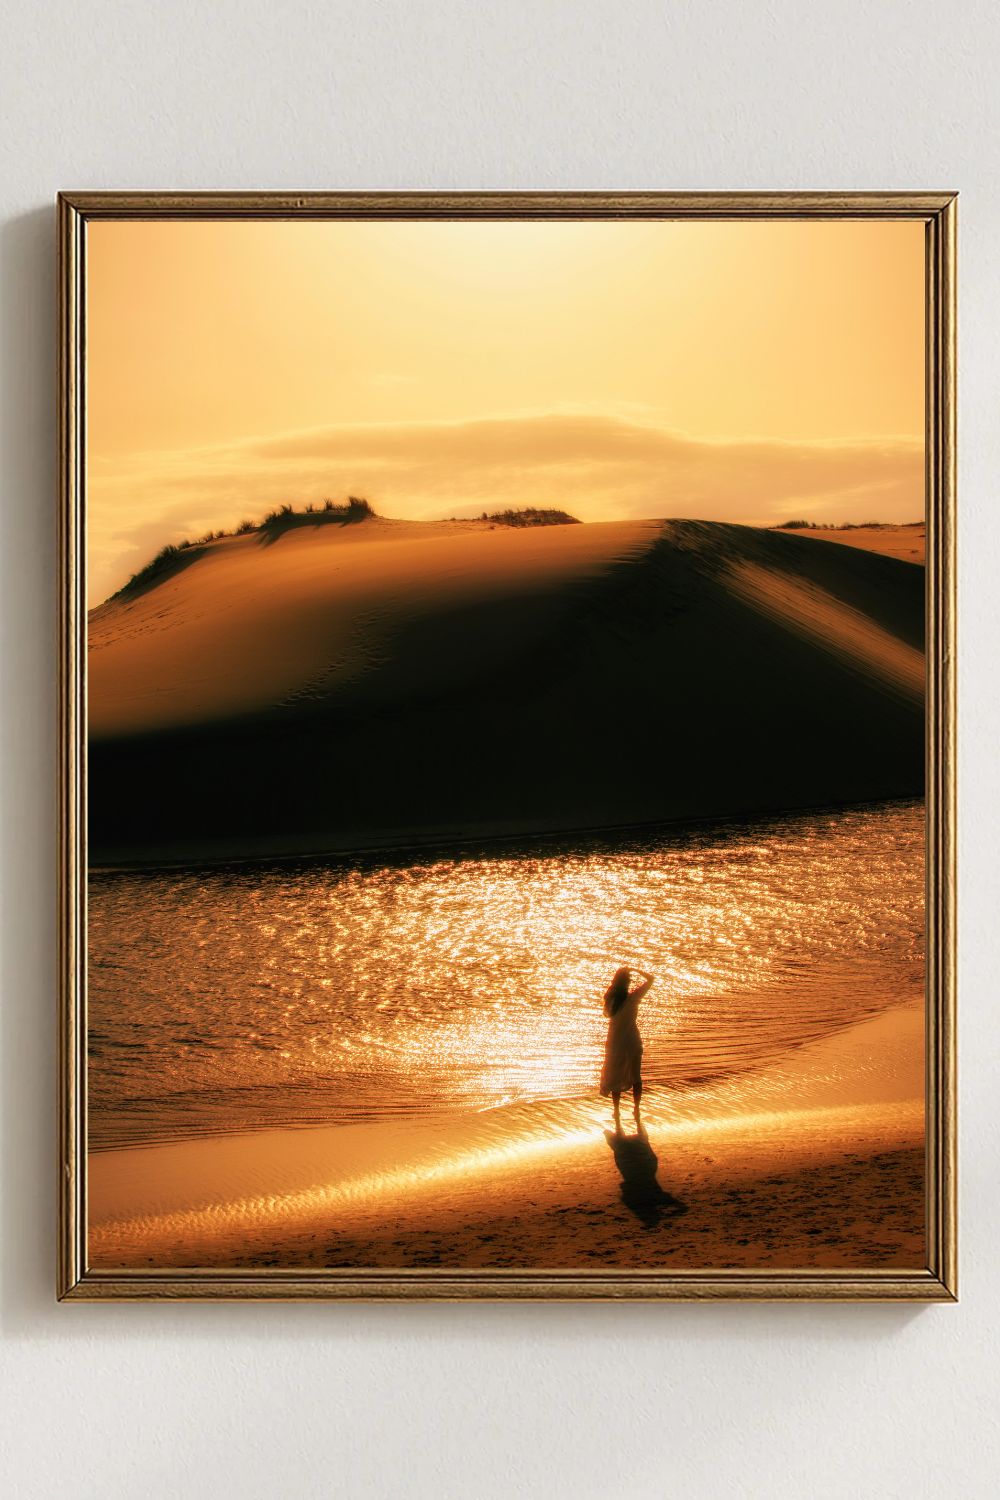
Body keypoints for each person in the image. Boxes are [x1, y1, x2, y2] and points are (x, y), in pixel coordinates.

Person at [599, 965, 654, 1131]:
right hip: (632, 1041)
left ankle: (616, 1111)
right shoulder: (633, 998)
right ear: (627, 983)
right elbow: (651, 979)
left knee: (615, 1076)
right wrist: (637, 971)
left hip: (616, 1042)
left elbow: (606, 1014)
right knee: (636, 1076)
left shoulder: (610, 1001)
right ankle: (636, 1109)